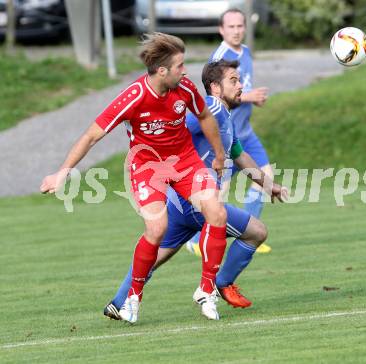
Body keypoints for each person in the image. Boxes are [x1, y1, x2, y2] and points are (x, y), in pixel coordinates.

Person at [40, 33, 228, 323]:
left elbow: (204, 117)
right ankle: (132, 299)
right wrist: (62, 172)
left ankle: (206, 290)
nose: (186, 71)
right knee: (157, 228)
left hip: (185, 162)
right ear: (162, 71)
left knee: (217, 212)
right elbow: (91, 135)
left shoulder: (185, 88)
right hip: (147, 167)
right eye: (179, 66)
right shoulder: (134, 97)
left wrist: (217, 155)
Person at [104, 59, 286, 321]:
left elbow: (239, 156)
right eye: (233, 81)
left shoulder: (225, 118)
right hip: (195, 199)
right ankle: (219, 284)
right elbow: (175, 127)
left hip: (182, 202)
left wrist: (270, 186)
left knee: (156, 254)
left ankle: (119, 301)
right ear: (214, 87)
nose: (240, 86)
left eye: (239, 80)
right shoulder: (210, 108)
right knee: (256, 232)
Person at [187, 8, 273, 255]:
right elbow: (215, 95)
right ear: (221, 30)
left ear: (245, 28)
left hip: (246, 131)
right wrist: (248, 96)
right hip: (226, 136)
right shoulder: (220, 56)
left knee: (265, 177)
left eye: (240, 26)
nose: (236, 31)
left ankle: (250, 232)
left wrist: (250, 98)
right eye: (231, 27)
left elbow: (237, 87)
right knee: (218, 193)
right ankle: (194, 239)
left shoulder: (245, 52)